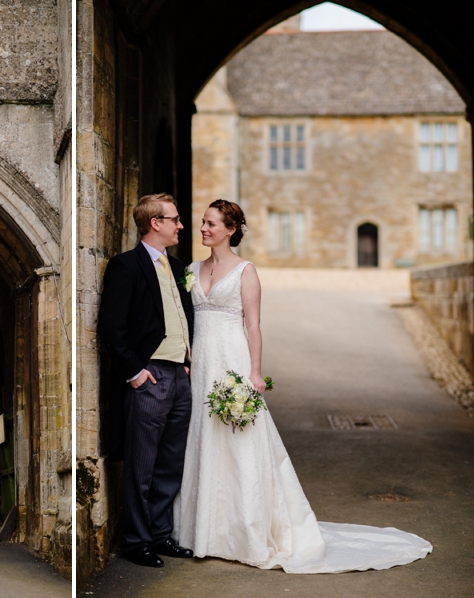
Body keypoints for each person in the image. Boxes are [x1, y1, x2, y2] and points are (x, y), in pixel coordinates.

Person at [172, 199, 432, 572]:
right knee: (203, 436)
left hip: (232, 362)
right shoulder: (192, 269)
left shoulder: (246, 271)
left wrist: (255, 372)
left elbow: (254, 325)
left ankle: (246, 531)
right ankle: (205, 530)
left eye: (211, 224)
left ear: (230, 230)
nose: (203, 229)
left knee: (240, 441)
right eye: (202, 222)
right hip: (201, 365)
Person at [98, 193, 195, 568]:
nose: (180, 226)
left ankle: (159, 534)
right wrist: (137, 374)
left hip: (179, 375)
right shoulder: (126, 266)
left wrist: (186, 362)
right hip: (150, 376)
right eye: (174, 219)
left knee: (170, 462)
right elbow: (110, 326)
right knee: (141, 464)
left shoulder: (179, 267)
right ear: (155, 223)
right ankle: (136, 541)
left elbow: (185, 317)